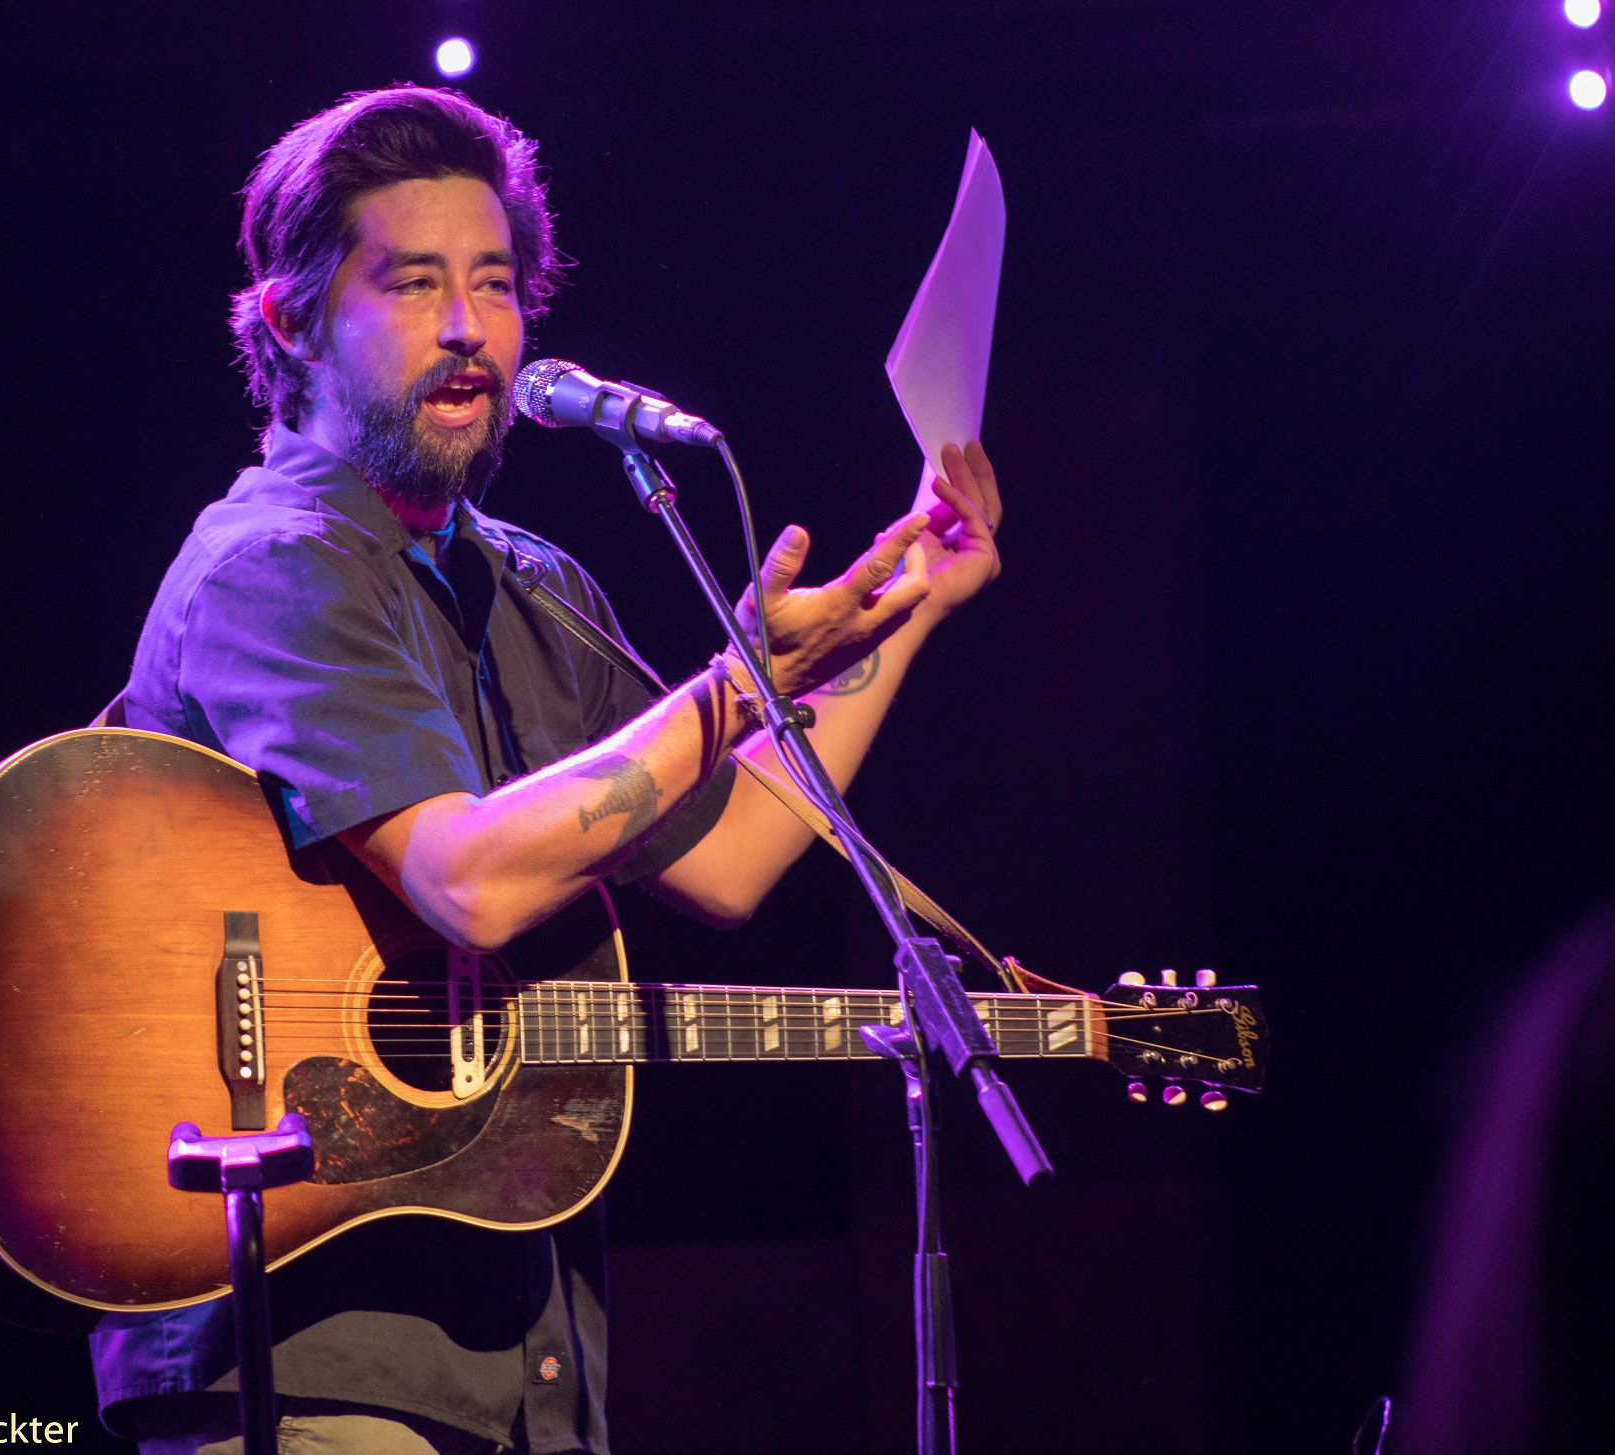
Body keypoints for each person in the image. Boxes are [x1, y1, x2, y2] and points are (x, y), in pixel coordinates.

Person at [92, 85, 1005, 1455]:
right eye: (412, 284)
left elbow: (728, 851)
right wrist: (737, 686)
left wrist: (912, 600)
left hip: (524, 1365)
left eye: (496, 285)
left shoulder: (538, 587)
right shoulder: (273, 566)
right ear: (288, 323)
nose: (469, 327)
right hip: (302, 1364)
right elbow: (468, 881)